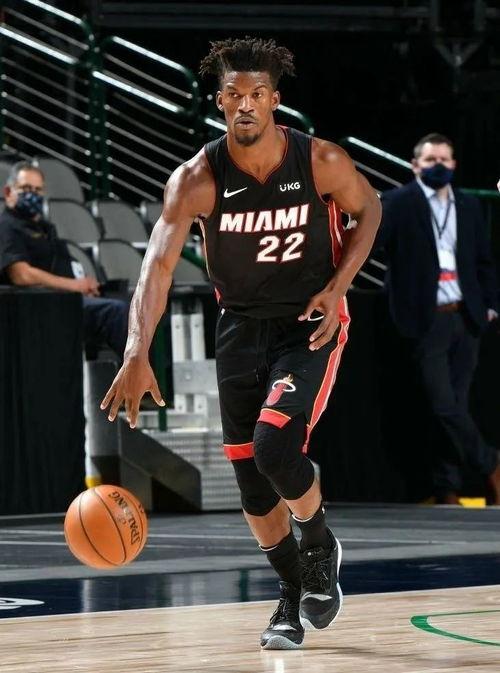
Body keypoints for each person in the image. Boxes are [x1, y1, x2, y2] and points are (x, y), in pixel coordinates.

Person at [101, 37, 381, 649]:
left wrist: (338, 287)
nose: (246, 104)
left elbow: (371, 209)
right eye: (234, 94)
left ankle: (318, 544)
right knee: (251, 483)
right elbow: (157, 266)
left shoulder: (321, 161)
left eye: (257, 94)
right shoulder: (196, 179)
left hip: (308, 322)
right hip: (240, 328)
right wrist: (136, 351)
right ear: (220, 102)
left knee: (274, 446)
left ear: (275, 101)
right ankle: (290, 596)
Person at [378, 133, 500, 505]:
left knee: (456, 405)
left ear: (454, 165)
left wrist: (490, 305)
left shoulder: (468, 205)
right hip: (425, 319)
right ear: (415, 165)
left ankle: (446, 487)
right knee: (442, 403)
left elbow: (483, 259)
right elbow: (376, 246)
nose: (439, 166)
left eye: (445, 160)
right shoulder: (397, 202)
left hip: (466, 316)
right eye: (431, 160)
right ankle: (492, 463)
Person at [0, 161, 129, 359]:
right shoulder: (6, 226)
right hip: (39, 306)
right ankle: (139, 377)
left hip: (66, 300)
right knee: (117, 312)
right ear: (8, 192)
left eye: (37, 190)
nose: (32, 195)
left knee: (138, 306)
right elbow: (21, 275)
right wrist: (74, 286)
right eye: (26, 188)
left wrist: (85, 285)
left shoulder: (45, 228)